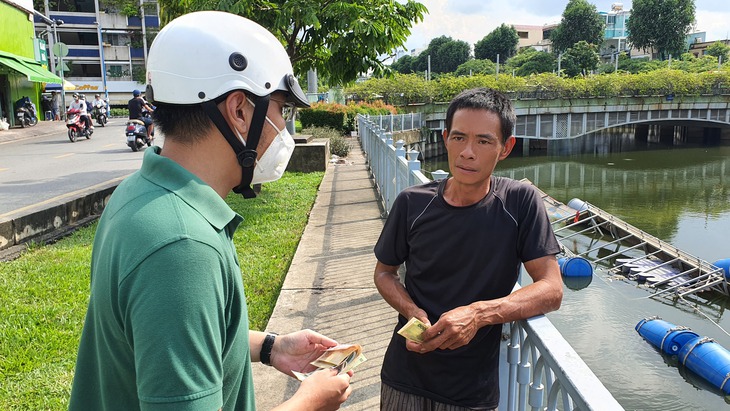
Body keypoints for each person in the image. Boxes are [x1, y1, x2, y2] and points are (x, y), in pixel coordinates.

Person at [68, 11, 353, 411]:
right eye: (280, 111)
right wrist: (310, 401)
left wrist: (272, 348)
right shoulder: (182, 246)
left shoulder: (143, 192)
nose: (283, 129)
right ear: (239, 110)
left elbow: (173, 339)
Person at [373, 88, 564, 410]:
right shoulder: (412, 202)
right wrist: (410, 310)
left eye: (484, 141)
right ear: (445, 138)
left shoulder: (519, 203)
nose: (468, 152)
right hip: (404, 373)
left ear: (506, 148)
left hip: (470, 391)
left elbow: (551, 289)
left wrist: (478, 314)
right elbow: (384, 273)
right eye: (459, 138)